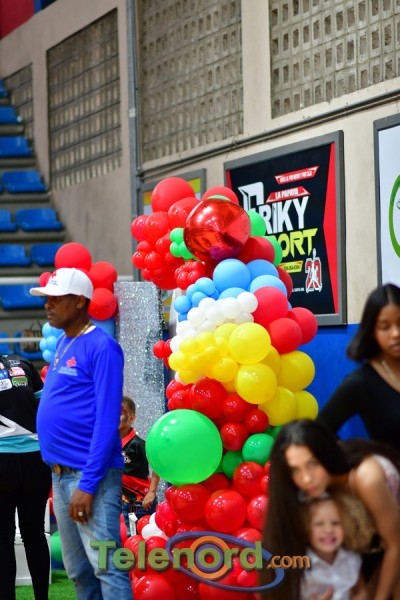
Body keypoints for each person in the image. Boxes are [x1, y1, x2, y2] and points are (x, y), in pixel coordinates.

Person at [30, 268, 132, 600]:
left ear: (79, 301)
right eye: (47, 299)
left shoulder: (102, 347)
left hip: (89, 477)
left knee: (107, 568)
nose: (48, 305)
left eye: (56, 299)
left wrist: (87, 485)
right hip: (61, 475)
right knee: (79, 573)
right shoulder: (64, 341)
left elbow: (107, 420)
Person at [263, 419, 400, 600]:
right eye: (295, 470)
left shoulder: (366, 478)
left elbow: (395, 544)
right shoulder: (310, 489)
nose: (306, 479)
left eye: (312, 464)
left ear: (326, 455)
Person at [318, 283, 400, 450]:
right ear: (372, 331)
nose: (396, 333)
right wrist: (358, 457)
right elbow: (320, 431)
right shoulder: (362, 382)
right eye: (385, 327)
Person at [0, 352, 52, 600]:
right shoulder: (23, 361)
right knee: (35, 535)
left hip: (5, 461)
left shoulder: (24, 362)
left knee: (3, 538)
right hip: (35, 460)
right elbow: (46, 409)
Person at [300, 492, 368, 600]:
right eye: (319, 524)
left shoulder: (352, 560)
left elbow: (361, 590)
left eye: (335, 523)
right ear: (306, 528)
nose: (328, 530)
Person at [119, 395, 160, 535]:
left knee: (146, 535)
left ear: (131, 418)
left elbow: (157, 464)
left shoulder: (138, 444)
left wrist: (152, 492)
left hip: (142, 502)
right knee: (132, 536)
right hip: (126, 502)